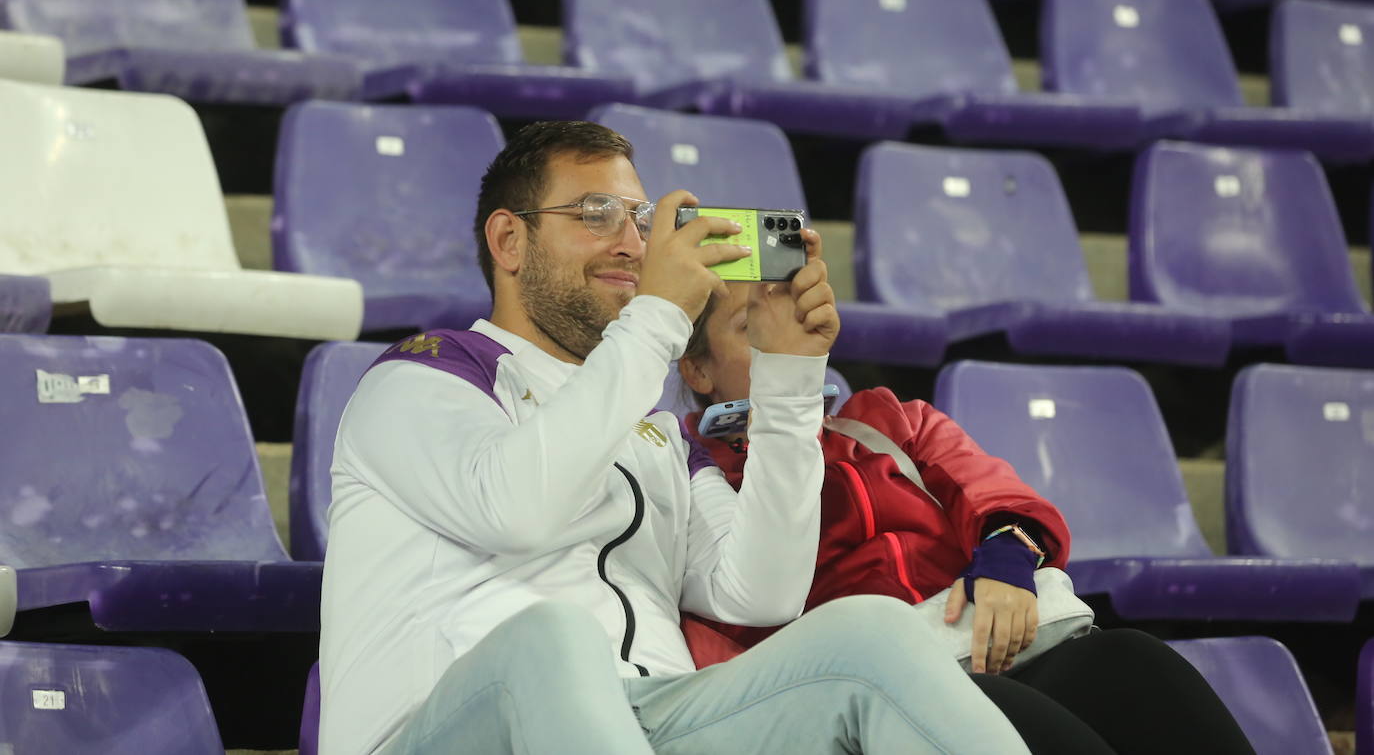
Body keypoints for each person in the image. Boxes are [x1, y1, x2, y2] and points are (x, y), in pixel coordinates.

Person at [318, 121, 1035, 755]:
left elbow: (763, 595)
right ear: (510, 239)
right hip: (441, 726)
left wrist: (785, 380)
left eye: (637, 217)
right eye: (595, 214)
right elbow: (518, 509)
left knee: (874, 636)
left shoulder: (657, 432)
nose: (631, 244)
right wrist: (657, 315)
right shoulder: (422, 378)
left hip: (645, 723)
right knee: (556, 637)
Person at [678, 283, 1259, 755]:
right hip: (874, 695)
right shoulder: (687, 473)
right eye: (754, 328)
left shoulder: (891, 421)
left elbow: (998, 496)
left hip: (985, 647)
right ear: (697, 371)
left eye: (793, 316)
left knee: (1130, 660)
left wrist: (1007, 560)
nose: (785, 338)